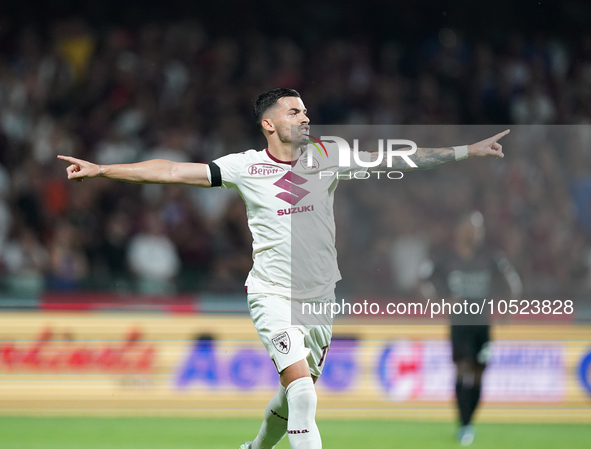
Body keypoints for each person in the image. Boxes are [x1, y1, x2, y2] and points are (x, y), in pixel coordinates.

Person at [58, 88, 509, 449]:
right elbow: (173, 171)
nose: (306, 117)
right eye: (295, 112)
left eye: (306, 110)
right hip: (272, 294)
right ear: (269, 124)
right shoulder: (245, 166)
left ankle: (256, 447)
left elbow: (397, 159)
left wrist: (465, 150)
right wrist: (102, 169)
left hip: (320, 301)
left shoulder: (327, 158)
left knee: (294, 394)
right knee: (304, 394)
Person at [418, 211, 522, 446]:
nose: (477, 233)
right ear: (460, 231)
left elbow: (512, 281)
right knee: (464, 369)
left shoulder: (491, 257)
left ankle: (467, 422)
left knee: (477, 373)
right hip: (460, 325)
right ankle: (464, 424)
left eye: (480, 229)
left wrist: (507, 309)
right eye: (472, 228)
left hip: (482, 326)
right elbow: (421, 280)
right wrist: (439, 303)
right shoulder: (445, 258)